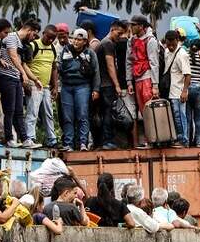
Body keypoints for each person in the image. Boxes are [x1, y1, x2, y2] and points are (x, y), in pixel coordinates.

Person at [0, 19, 40, 148]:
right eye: (34, 34)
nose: (34, 37)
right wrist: (23, 74)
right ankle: (9, 139)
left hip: (15, 78)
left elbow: (22, 63)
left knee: (19, 111)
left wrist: (35, 79)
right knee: (9, 110)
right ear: (29, 30)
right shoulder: (11, 38)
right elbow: (13, 56)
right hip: (6, 77)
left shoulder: (21, 43)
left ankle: (25, 139)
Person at [59, 29, 101, 151]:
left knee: (83, 115)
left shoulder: (90, 53)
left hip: (83, 87)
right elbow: (59, 68)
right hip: (67, 87)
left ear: (85, 41)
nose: (76, 41)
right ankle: (68, 144)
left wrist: (96, 89)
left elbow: (96, 72)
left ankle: (83, 143)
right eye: (75, 39)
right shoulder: (65, 51)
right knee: (67, 116)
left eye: (79, 39)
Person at [85, 173, 136, 242]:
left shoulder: (90, 202)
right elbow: (131, 223)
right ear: (112, 187)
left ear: (98, 186)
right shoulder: (119, 205)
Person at [93, 20, 128, 149]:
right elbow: (110, 65)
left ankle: (103, 141)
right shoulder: (107, 44)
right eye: (119, 34)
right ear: (112, 30)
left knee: (104, 113)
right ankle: (107, 141)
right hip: (107, 84)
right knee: (108, 113)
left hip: (102, 84)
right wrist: (117, 85)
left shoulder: (103, 43)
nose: (119, 37)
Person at [23, 24, 59, 149]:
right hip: (34, 85)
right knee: (32, 111)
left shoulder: (53, 48)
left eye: (53, 38)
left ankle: (52, 139)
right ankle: (30, 137)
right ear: (44, 33)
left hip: (46, 87)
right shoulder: (34, 46)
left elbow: (54, 67)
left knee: (49, 113)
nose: (50, 40)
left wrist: (55, 86)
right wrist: (27, 81)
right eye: (48, 37)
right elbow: (25, 65)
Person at [46, 176, 90, 242]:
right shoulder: (71, 207)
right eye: (74, 193)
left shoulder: (47, 207)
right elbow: (85, 222)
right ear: (66, 193)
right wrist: (81, 205)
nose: (75, 196)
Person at [125, 16, 160, 127]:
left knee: (150, 109)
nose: (131, 27)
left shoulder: (150, 40)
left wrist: (155, 86)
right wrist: (129, 81)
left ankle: (155, 138)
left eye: (133, 25)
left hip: (147, 78)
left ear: (141, 26)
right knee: (143, 111)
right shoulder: (131, 40)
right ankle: (149, 138)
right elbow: (129, 61)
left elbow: (154, 63)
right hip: (137, 78)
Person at [161, 30, 191, 147]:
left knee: (181, 115)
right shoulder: (167, 52)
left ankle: (184, 140)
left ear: (177, 41)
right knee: (176, 115)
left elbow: (187, 74)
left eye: (172, 44)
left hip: (179, 91)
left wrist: (184, 91)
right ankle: (179, 138)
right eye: (168, 44)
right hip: (171, 90)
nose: (170, 46)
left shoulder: (182, 54)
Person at [184, 39, 200, 148]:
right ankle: (199, 143)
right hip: (199, 89)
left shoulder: (187, 57)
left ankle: (188, 142)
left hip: (188, 89)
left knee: (188, 118)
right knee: (199, 119)